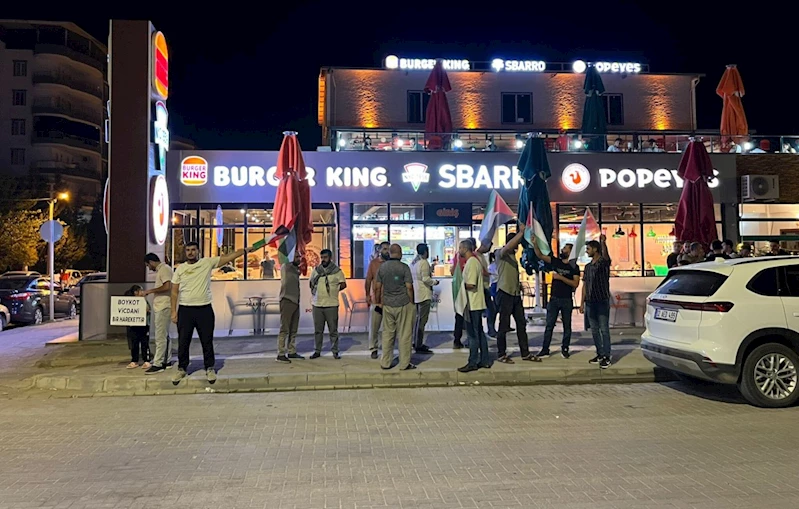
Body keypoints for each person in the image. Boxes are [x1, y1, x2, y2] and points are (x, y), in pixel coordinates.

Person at [170, 242, 254, 385]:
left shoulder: (207, 263)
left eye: (193, 250)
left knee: (207, 341)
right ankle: (182, 368)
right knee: (183, 342)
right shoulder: (180, 269)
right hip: (185, 309)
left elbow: (228, 257)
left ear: (198, 251)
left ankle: (209, 368)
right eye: (188, 250)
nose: (190, 252)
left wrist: (245, 250)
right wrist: (173, 311)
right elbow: (174, 291)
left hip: (204, 309)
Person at [494, 227, 537, 363]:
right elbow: (507, 248)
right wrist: (521, 233)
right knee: (503, 326)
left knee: (521, 324)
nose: (517, 247)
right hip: (504, 293)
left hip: (515, 295)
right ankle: (501, 354)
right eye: (516, 244)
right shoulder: (500, 253)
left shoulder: (514, 258)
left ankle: (525, 353)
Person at [532, 242, 580, 358]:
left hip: (566, 299)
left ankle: (565, 348)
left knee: (567, 326)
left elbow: (575, 283)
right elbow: (540, 255)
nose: (562, 250)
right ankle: (545, 349)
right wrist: (535, 243)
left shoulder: (574, 267)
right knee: (549, 325)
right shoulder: (556, 262)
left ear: (570, 252)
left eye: (565, 249)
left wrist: (561, 277)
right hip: (554, 299)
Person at [374, 244, 416, 371]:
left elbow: (377, 287)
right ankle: (404, 364)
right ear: (400, 253)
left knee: (387, 334)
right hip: (403, 304)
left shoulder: (382, 268)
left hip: (387, 304)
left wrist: (378, 302)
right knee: (404, 334)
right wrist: (412, 302)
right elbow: (409, 287)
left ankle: (385, 362)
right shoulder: (404, 267)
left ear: (390, 253)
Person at [457, 240, 491, 373]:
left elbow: (471, 284)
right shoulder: (474, 262)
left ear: (465, 249)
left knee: (472, 334)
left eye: (460, 247)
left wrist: (458, 285)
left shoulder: (471, 263)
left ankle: (473, 362)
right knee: (479, 333)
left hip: (472, 303)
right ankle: (485, 360)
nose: (459, 250)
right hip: (475, 303)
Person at [580, 235, 612, 369]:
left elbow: (606, 258)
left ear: (595, 249)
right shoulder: (587, 267)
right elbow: (585, 285)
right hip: (590, 302)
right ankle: (599, 353)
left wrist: (603, 242)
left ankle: (607, 355)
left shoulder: (602, 264)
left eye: (588, 249)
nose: (586, 251)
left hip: (601, 301)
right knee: (594, 329)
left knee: (604, 329)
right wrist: (582, 302)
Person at [310, 249, 346, 359]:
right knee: (318, 330)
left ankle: (335, 351)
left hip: (331, 304)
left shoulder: (337, 271)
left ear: (330, 258)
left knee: (333, 330)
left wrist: (334, 291)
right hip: (317, 305)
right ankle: (317, 351)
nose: (323, 260)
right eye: (322, 257)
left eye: (325, 257)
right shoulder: (316, 270)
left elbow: (343, 284)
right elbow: (311, 283)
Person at [142, 253, 174, 374]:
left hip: (163, 306)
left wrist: (150, 291)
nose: (149, 268)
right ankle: (167, 361)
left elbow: (167, 286)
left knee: (160, 336)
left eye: (147, 265)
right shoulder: (164, 269)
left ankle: (158, 363)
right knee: (164, 335)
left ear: (151, 262)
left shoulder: (164, 269)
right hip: (163, 306)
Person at [276, 253, 304, 363]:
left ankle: (291, 351)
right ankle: (281, 353)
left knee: (293, 329)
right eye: (296, 257)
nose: (299, 259)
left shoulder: (296, 270)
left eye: (299, 257)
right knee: (285, 328)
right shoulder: (286, 267)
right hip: (287, 300)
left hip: (295, 301)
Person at [411, 243, 438, 354]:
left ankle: (415, 341)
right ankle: (419, 344)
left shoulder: (413, 263)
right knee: (422, 320)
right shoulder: (424, 263)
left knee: (418, 320)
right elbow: (426, 279)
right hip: (424, 295)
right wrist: (435, 282)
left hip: (416, 294)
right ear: (426, 252)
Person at [365, 241, 390, 359]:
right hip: (377, 300)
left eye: (388, 249)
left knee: (388, 327)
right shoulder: (374, 264)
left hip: (390, 300)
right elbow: (368, 280)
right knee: (374, 326)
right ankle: (373, 348)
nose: (387, 251)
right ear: (379, 250)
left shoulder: (393, 263)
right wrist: (367, 295)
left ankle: (386, 348)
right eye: (385, 249)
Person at [450, 238, 475, 349]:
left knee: (459, 316)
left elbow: (452, 271)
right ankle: (472, 340)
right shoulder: (471, 259)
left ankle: (457, 340)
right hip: (467, 291)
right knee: (470, 317)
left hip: (459, 291)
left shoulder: (457, 257)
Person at [125, 285, 151, 370]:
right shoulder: (130, 301)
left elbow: (148, 310)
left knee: (144, 343)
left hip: (143, 325)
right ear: (136, 292)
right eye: (141, 291)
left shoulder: (144, 301)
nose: (143, 292)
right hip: (134, 325)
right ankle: (134, 360)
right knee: (134, 343)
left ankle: (146, 360)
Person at [476, 240, 498, 338]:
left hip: (485, 286)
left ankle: (490, 330)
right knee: (491, 309)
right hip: (482, 287)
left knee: (491, 309)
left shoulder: (481, 257)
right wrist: (492, 274)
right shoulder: (477, 257)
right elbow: (482, 271)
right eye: (488, 247)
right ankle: (490, 330)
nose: (489, 250)